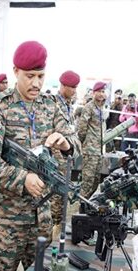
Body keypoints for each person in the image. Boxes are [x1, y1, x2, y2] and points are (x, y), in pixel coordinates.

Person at [0, 41, 80, 271]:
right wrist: (22, 178)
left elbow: (75, 145)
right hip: (8, 220)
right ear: (15, 72)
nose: (36, 83)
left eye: (40, 76)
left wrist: (66, 144)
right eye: (29, 76)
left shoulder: (51, 105)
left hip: (42, 219)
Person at [50, 70, 80, 232]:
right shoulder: (54, 104)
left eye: (76, 87)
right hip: (56, 156)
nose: (74, 91)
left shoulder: (68, 106)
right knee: (56, 192)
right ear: (62, 85)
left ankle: (58, 226)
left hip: (66, 157)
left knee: (62, 194)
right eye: (71, 87)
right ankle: (53, 228)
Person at [78, 81, 107, 199]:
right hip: (90, 150)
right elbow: (82, 127)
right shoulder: (89, 107)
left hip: (98, 150)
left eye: (103, 92)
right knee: (87, 181)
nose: (101, 94)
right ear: (94, 93)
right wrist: (84, 143)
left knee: (96, 180)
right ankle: (82, 204)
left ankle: (88, 203)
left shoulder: (100, 108)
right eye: (99, 91)